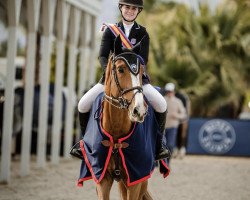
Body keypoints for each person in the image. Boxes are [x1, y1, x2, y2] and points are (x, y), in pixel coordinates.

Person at [77, 0, 169, 160]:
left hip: (136, 80)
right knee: (83, 104)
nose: (130, 11)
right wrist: (109, 73)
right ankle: (83, 143)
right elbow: (103, 55)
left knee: (161, 104)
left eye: (134, 8)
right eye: (127, 7)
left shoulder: (143, 33)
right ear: (121, 8)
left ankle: (158, 145)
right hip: (111, 78)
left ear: (138, 11)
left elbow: (143, 59)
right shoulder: (110, 31)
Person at [163, 83, 187, 163]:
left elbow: (183, 114)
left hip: (173, 126)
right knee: (162, 145)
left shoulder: (178, 101)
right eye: (168, 91)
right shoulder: (162, 99)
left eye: (171, 91)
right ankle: (161, 162)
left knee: (170, 145)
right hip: (163, 127)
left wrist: (176, 115)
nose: (169, 93)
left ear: (173, 91)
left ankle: (168, 162)